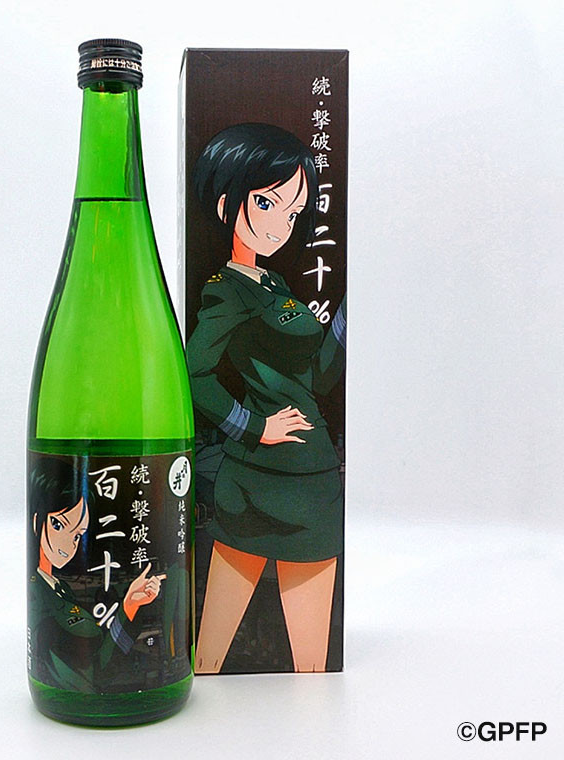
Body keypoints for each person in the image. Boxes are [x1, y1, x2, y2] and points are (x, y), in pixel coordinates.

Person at [187, 123, 346, 673]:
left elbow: (317, 377)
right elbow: (192, 375)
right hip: (255, 481)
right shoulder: (225, 291)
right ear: (226, 204)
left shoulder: (274, 286)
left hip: (313, 477)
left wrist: (344, 322)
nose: (281, 224)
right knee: (210, 655)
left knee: (315, 665)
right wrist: (254, 426)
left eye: (293, 212)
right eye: (265, 203)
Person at [27, 458, 163, 692]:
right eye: (58, 525)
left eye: (77, 535)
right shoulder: (41, 600)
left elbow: (97, 667)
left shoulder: (59, 589)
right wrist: (128, 607)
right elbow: (96, 674)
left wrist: (129, 604)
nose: (69, 544)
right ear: (36, 520)